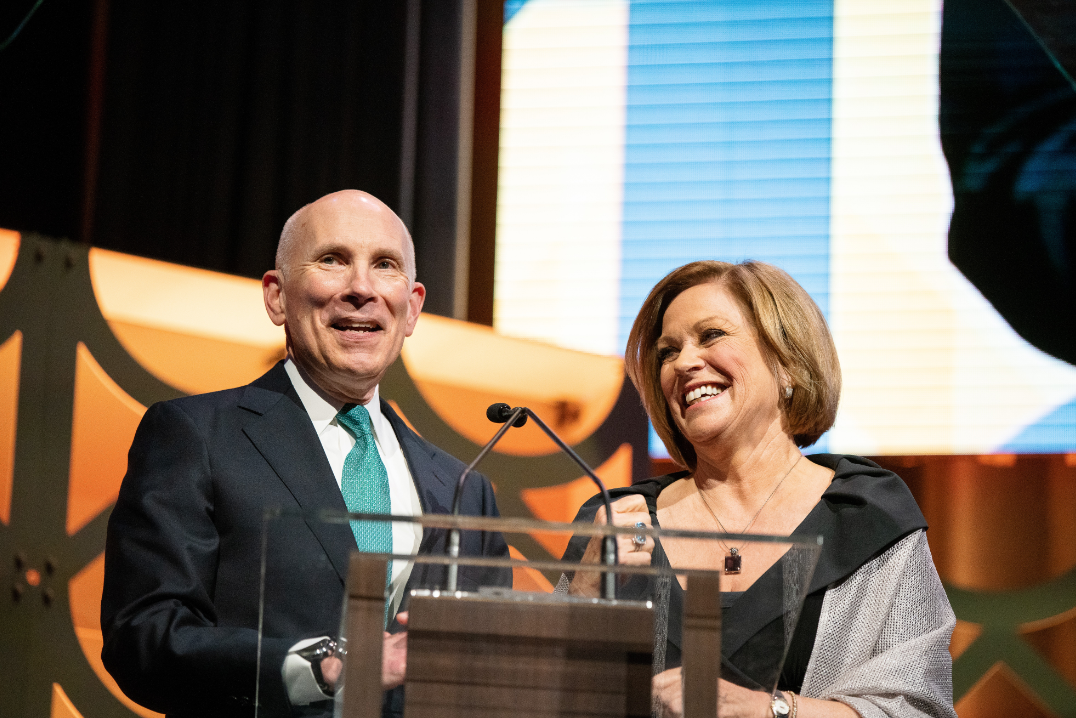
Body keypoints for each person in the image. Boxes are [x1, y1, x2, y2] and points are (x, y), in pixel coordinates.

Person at [101, 190, 510, 718]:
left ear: (411, 308)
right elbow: (145, 634)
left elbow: (496, 665)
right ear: (276, 296)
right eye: (333, 260)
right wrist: (314, 668)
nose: (361, 288)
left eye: (384, 266)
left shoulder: (465, 486)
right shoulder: (195, 436)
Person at [561, 261, 955, 718]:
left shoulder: (867, 517)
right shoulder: (619, 521)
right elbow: (535, 695)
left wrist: (770, 710)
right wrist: (585, 592)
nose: (684, 363)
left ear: (786, 363)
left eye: (711, 336)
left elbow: (918, 707)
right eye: (668, 352)